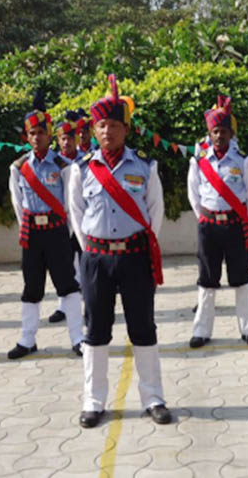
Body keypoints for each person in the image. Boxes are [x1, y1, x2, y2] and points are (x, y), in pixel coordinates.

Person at [67, 75, 171, 428]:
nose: (107, 131)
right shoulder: (82, 169)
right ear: (94, 131)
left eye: (114, 125)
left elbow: (155, 212)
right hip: (96, 259)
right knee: (96, 330)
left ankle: (153, 397)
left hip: (135, 257)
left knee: (143, 327)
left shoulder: (145, 166)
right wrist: (94, 250)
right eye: (101, 126)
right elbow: (77, 214)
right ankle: (93, 401)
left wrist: (136, 246)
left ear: (126, 129)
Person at [8, 94, 83, 358]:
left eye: (41, 132)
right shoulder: (18, 167)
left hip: (57, 232)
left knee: (68, 285)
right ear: (27, 137)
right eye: (32, 133)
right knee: (31, 288)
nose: (36, 137)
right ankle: (27, 340)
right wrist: (28, 227)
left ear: (49, 135)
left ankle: (78, 338)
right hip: (32, 234)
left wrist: (66, 233)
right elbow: (18, 204)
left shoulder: (65, 165)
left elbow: (72, 203)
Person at [187, 95, 248, 347]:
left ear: (231, 134)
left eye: (224, 131)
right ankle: (201, 331)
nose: (219, 136)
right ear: (209, 134)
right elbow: (193, 195)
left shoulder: (244, 160)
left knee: (241, 278)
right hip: (209, 227)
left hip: (235, 226)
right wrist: (205, 219)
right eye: (215, 131)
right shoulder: (198, 161)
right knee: (207, 279)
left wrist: (242, 221)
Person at [47, 110, 85, 325]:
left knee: (86, 262)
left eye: (70, 138)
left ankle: (90, 305)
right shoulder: (53, 162)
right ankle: (63, 306)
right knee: (63, 264)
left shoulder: (86, 161)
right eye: (62, 138)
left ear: (76, 138)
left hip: (83, 218)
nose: (66, 142)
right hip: (61, 220)